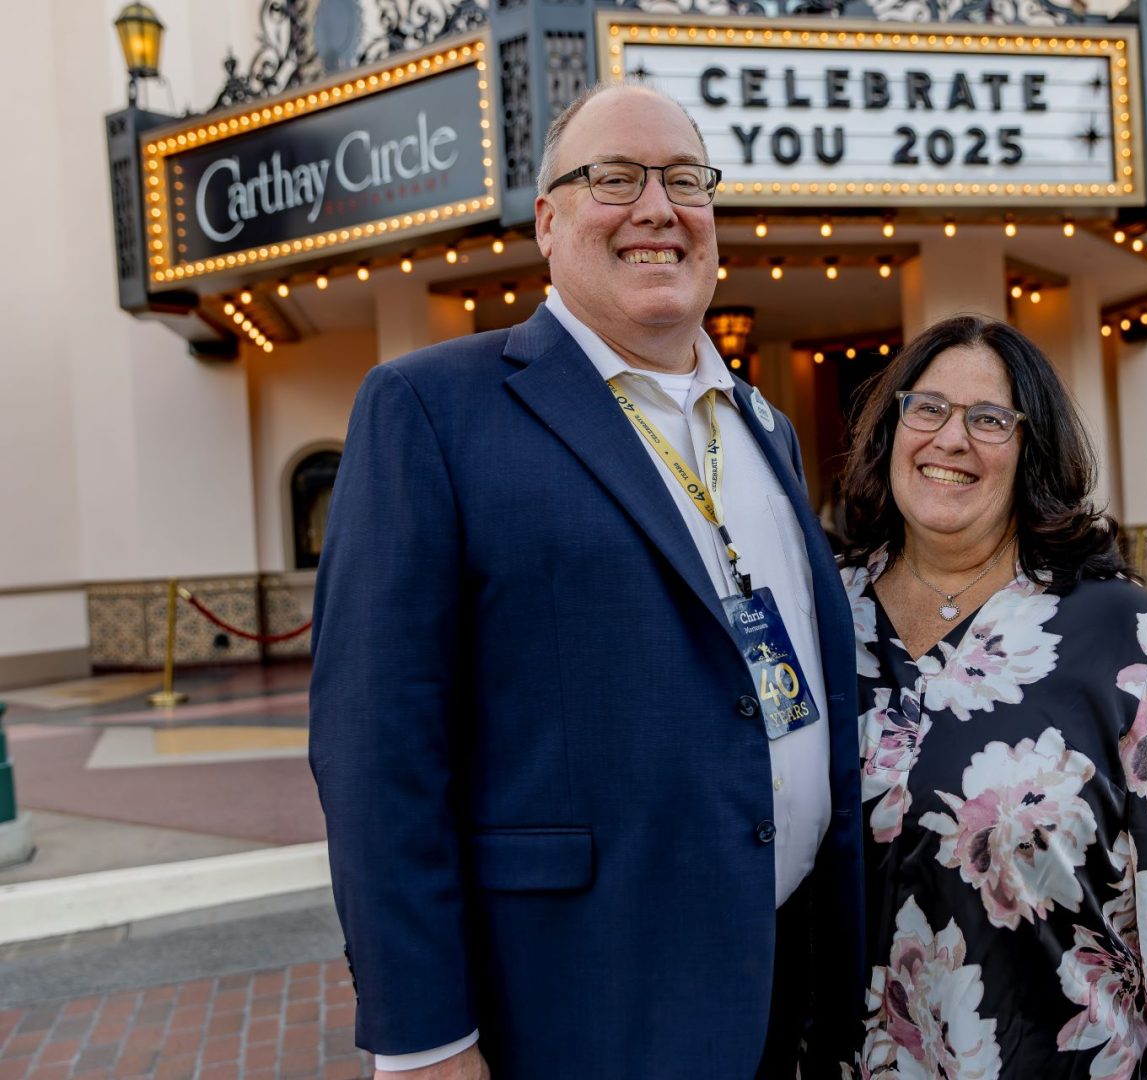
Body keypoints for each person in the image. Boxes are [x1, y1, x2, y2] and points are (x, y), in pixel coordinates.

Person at [309, 83, 863, 1078]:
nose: (657, 207)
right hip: (580, 1003)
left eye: (685, 180)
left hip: (787, 982)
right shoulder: (430, 412)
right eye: (614, 179)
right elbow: (375, 752)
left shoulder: (759, 424)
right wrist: (424, 1039)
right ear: (547, 222)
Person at [836, 315, 1147, 1079]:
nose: (950, 439)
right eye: (926, 407)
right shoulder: (823, 617)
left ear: (1033, 450)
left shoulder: (1125, 634)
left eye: (990, 419)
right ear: (890, 428)